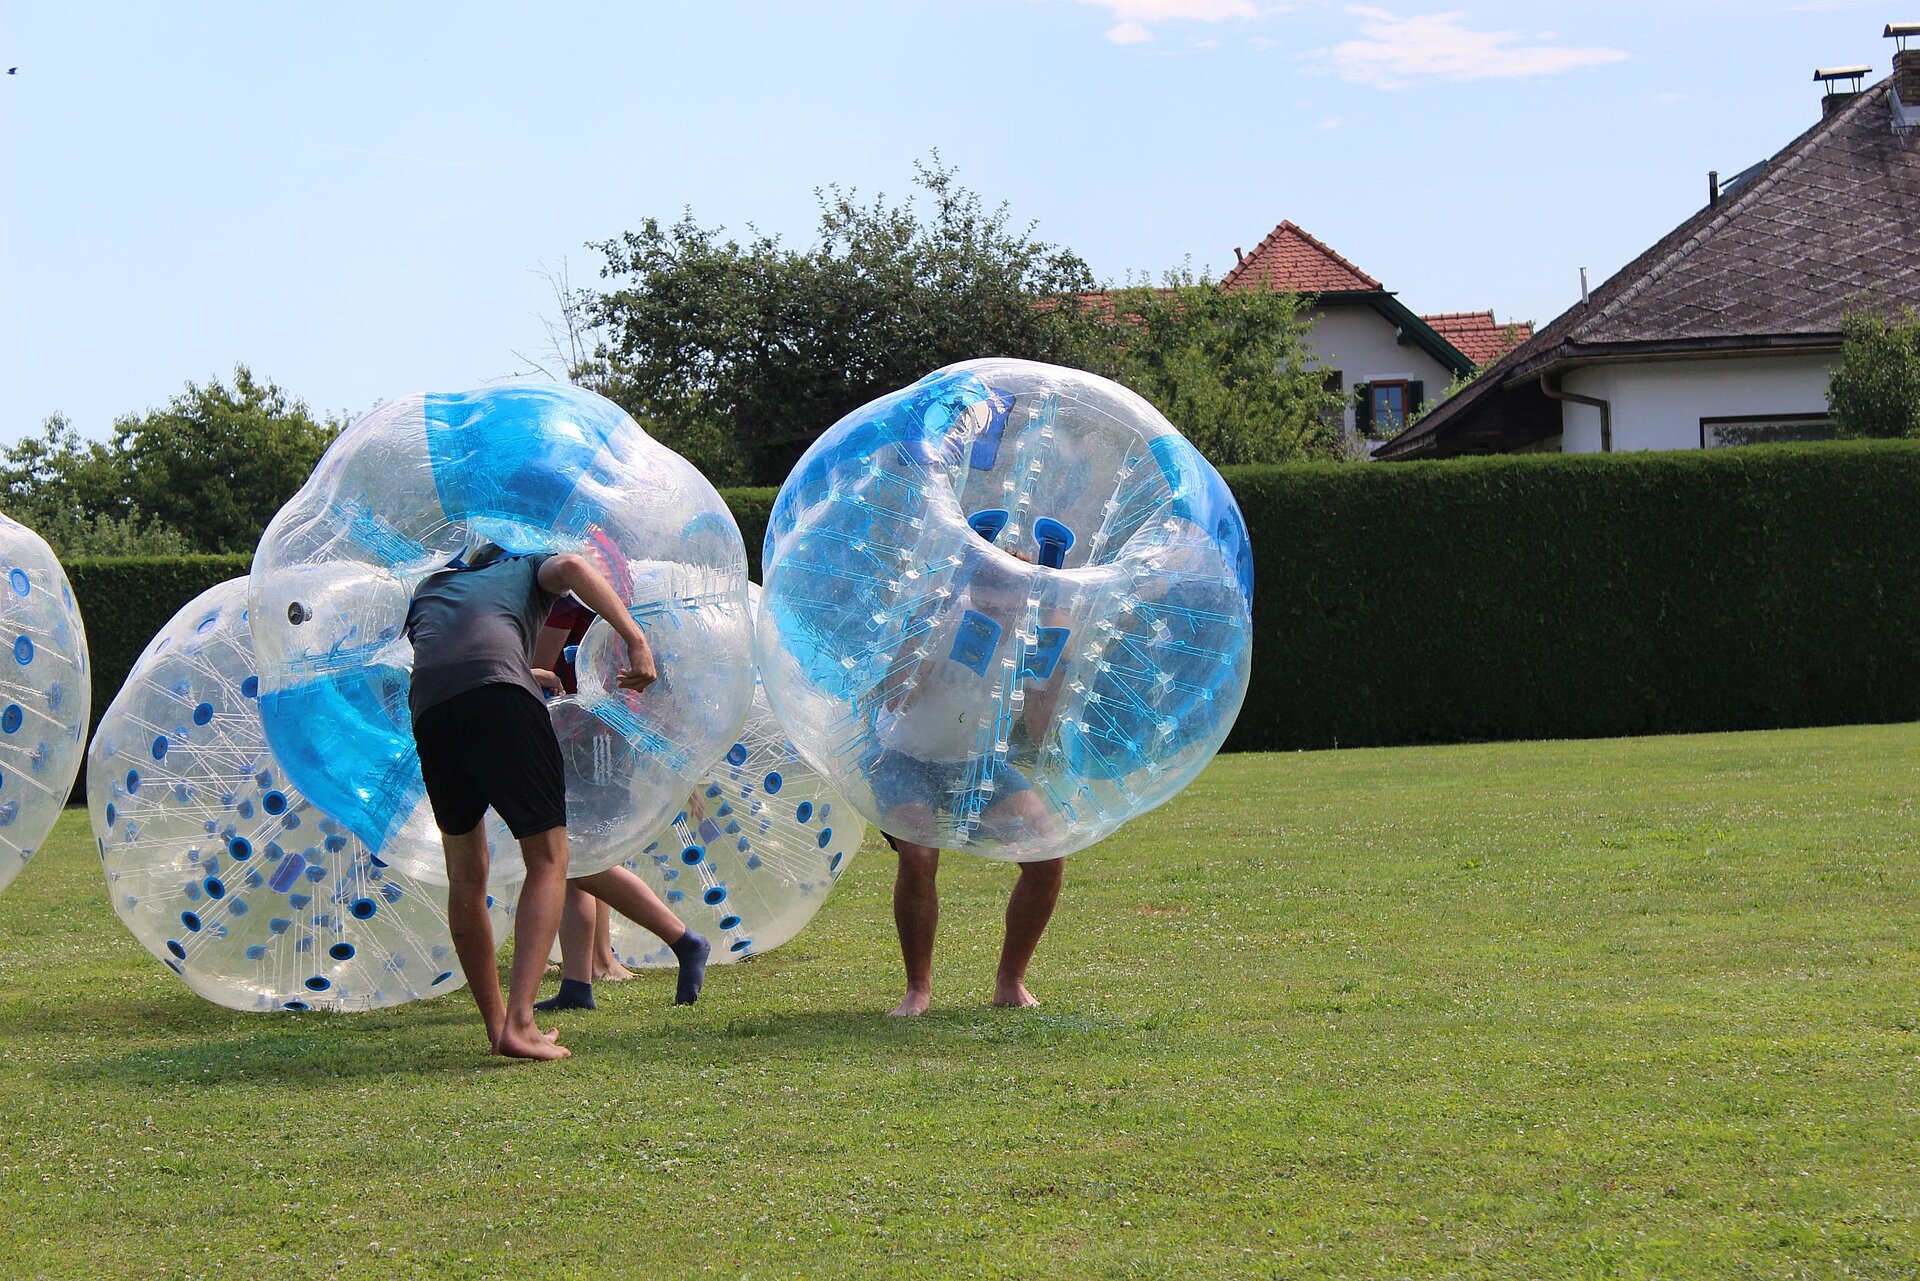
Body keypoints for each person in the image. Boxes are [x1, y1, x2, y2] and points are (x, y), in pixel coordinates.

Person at [405, 542, 708, 1061]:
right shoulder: (525, 564)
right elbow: (570, 566)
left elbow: (459, 655)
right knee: (549, 858)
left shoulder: (429, 589)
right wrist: (636, 639)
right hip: (501, 697)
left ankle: (499, 1027)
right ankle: (521, 1023)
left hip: (431, 710)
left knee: (466, 877)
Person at [870, 543, 1068, 1018]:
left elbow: (1037, 732)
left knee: (1047, 857)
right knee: (919, 854)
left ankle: (1010, 982)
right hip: (904, 755)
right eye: (986, 598)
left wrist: (1057, 668)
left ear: (1025, 597)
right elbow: (895, 700)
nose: (994, 612)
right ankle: (918, 988)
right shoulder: (941, 617)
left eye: (1007, 603)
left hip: (976, 762)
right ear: (973, 587)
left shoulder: (1034, 637)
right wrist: (923, 639)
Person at [530, 598, 636, 1000]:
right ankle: (596, 959)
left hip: (594, 723)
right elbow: (543, 666)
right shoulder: (584, 583)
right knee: (587, 843)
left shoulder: (580, 585)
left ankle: (598, 958)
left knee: (590, 843)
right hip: (594, 723)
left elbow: (542, 664)